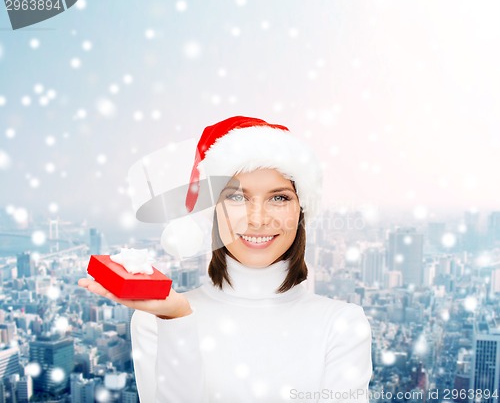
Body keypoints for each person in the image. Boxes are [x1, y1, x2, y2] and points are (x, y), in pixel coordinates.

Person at [79, 116, 373, 403]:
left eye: (279, 198)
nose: (257, 220)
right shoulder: (156, 320)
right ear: (212, 212)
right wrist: (176, 320)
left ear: (301, 211)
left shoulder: (342, 325)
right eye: (236, 197)